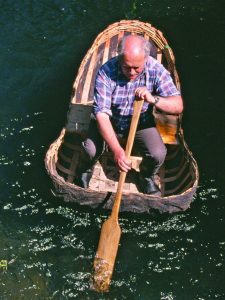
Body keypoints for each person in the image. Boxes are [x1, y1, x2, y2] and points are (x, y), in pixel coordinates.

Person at [76, 35, 183, 195]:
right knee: (90, 150)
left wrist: (153, 99)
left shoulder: (156, 70)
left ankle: (146, 176)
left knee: (158, 154)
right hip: (110, 121)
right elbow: (102, 116)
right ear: (119, 58)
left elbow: (177, 105)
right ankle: (85, 169)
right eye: (127, 67)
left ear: (146, 59)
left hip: (140, 122)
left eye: (137, 68)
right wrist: (117, 151)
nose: (132, 72)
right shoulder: (106, 72)